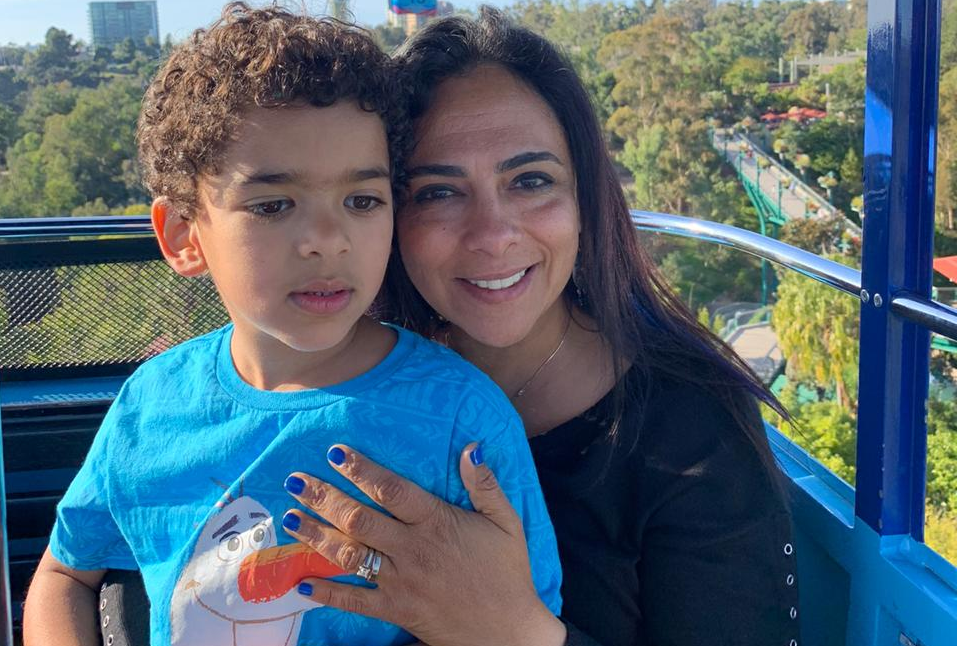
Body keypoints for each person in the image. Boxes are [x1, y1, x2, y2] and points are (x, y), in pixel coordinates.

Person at [22, 5, 561, 646]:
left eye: (362, 200)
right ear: (184, 235)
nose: (328, 239)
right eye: (274, 205)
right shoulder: (150, 406)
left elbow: (516, 619)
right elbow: (65, 573)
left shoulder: (460, 420)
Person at [281, 9, 801, 646]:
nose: (493, 234)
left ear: (584, 198)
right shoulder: (349, 387)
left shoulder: (693, 425)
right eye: (438, 192)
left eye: (531, 181)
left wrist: (514, 630)